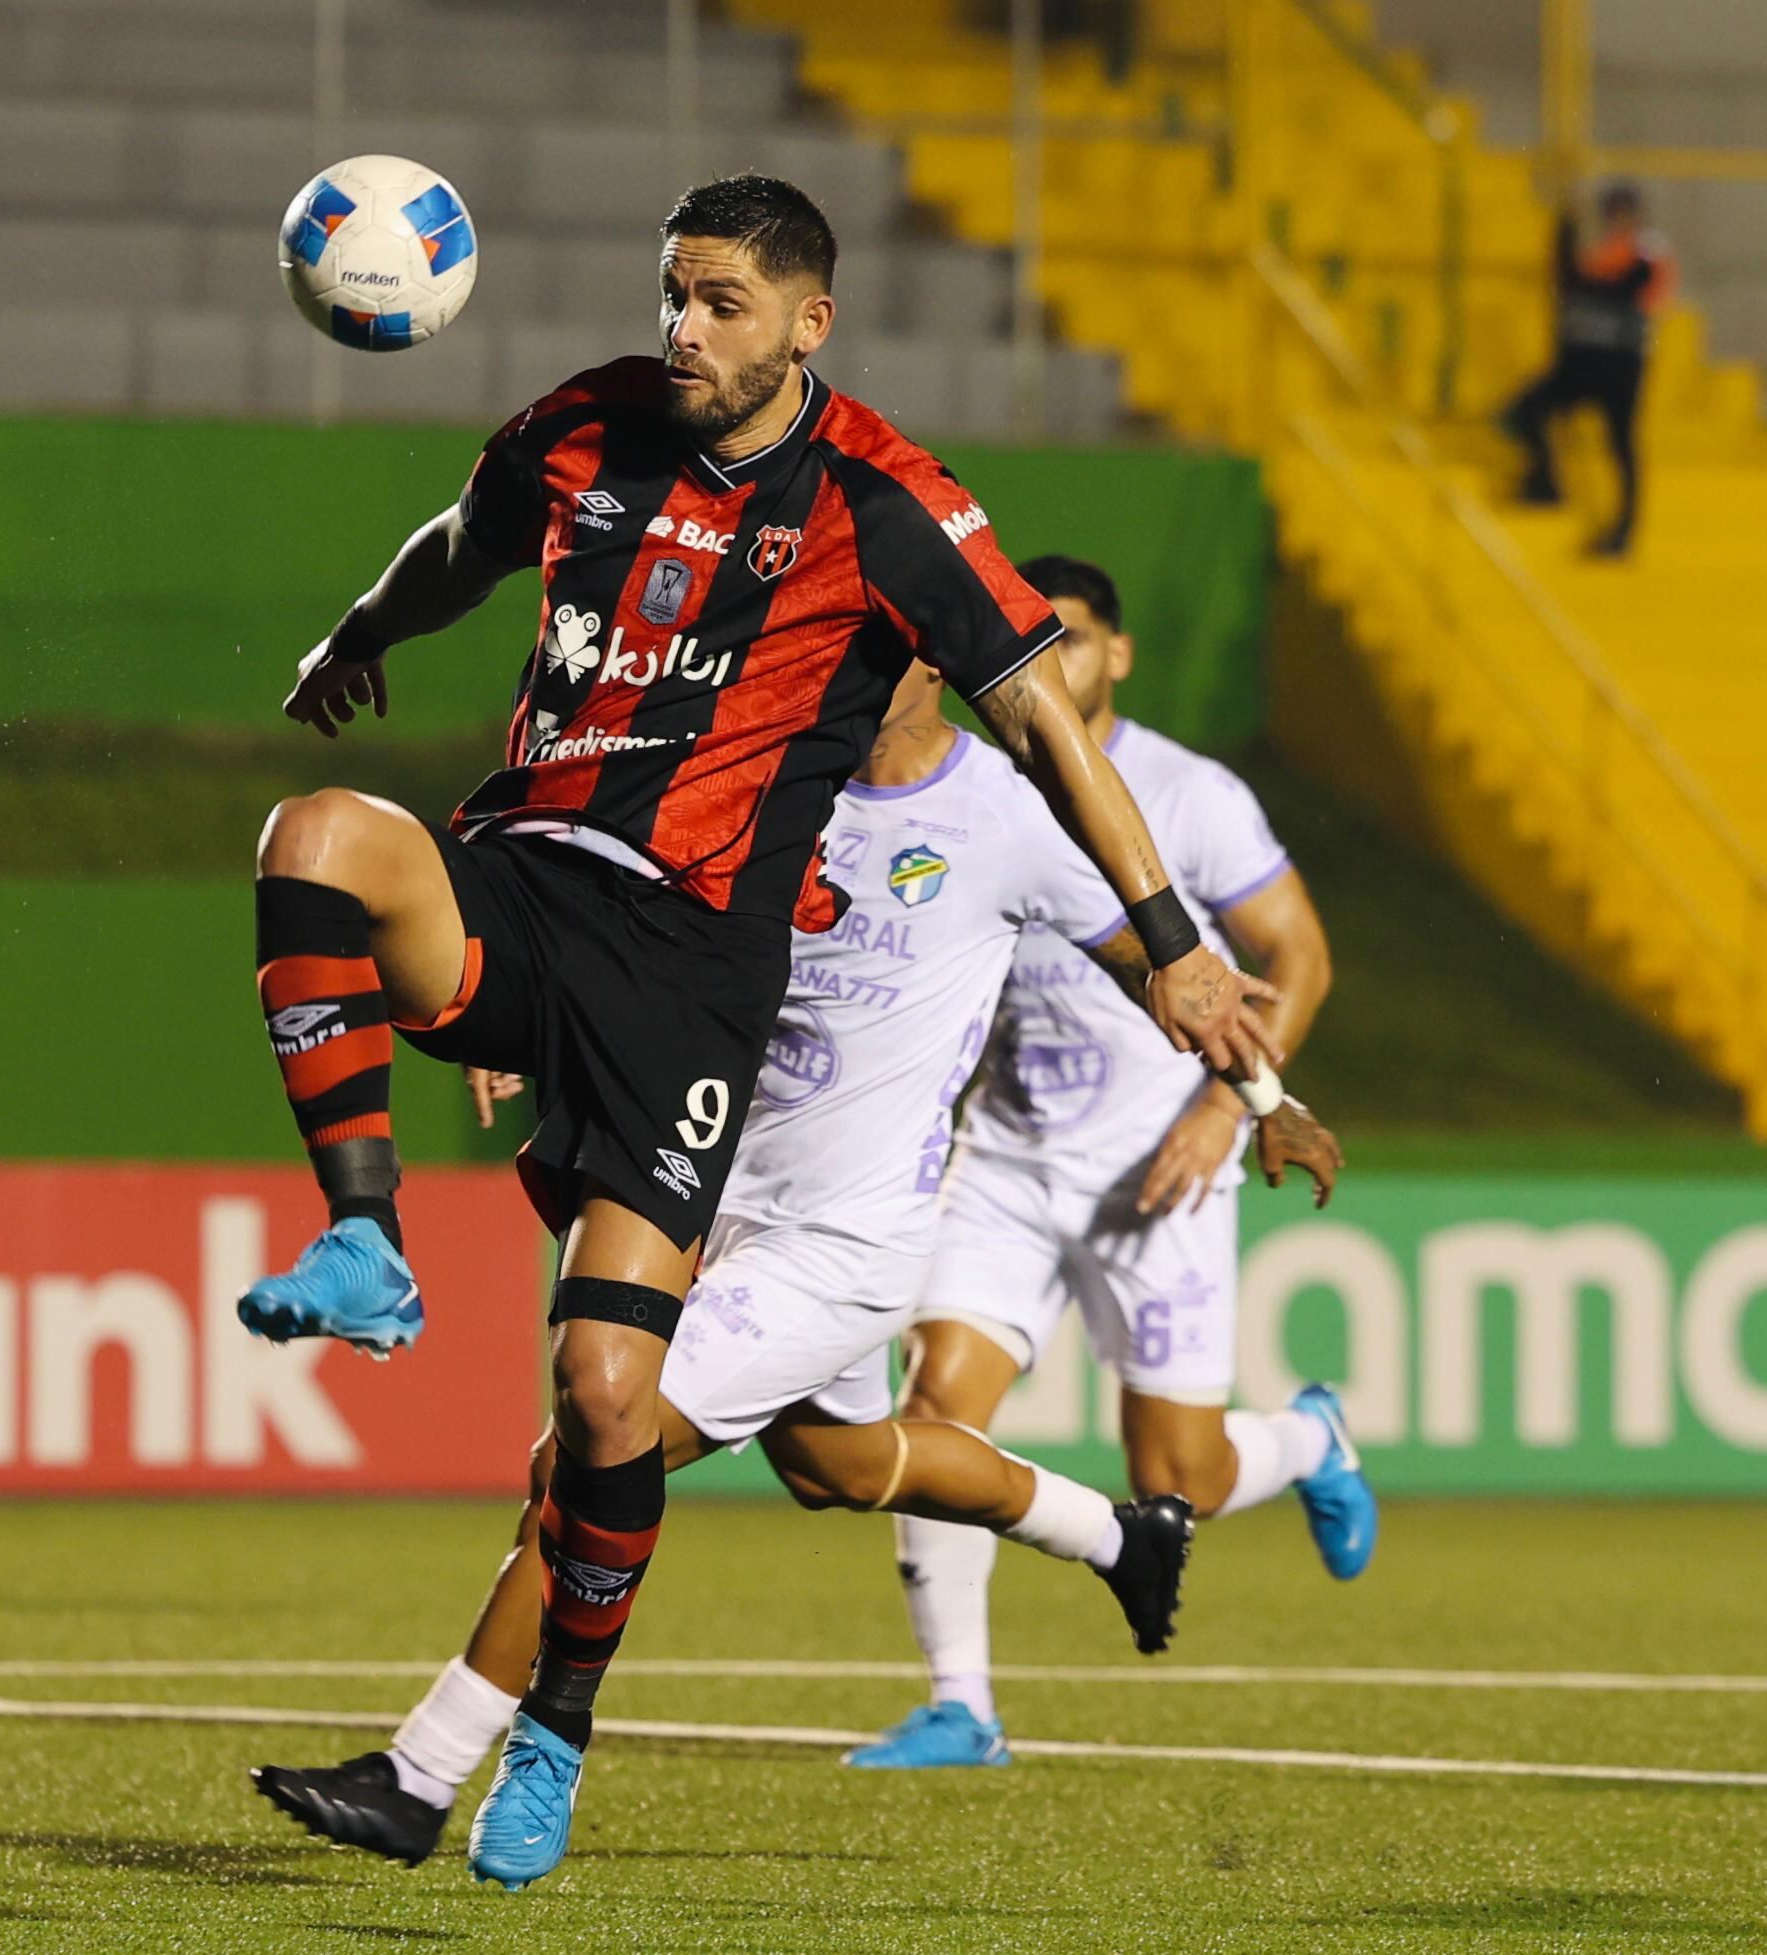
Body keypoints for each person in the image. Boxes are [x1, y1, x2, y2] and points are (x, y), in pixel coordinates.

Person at [230, 174, 1276, 1878]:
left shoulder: (884, 503)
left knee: (609, 1403)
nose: (683, 330)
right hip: (533, 880)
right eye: (672, 294)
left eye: (719, 303)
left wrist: (1171, 944)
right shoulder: (583, 426)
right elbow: (460, 545)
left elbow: (1048, 726)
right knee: (318, 837)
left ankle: (538, 1738)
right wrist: (361, 628)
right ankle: (364, 1239)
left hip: (687, 981)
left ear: (808, 321)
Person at [251, 658, 1341, 1884]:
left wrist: (1264, 1099)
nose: (854, 658)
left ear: (936, 649)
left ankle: (424, 1769)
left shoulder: (1011, 815)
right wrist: (532, 1008)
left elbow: (1164, 969)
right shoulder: (759, 775)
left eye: (886, 636)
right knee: (843, 1466)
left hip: (843, 1244)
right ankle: (1121, 1537)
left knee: (587, 1453)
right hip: (698, 1190)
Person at [845, 558, 1368, 1772]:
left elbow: (1298, 954)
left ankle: (1311, 1440)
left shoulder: (1190, 795)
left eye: (1069, 638)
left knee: (1179, 1474)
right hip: (1008, 1159)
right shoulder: (969, 786)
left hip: (1159, 1166)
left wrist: (1230, 1108)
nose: (1045, 661)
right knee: (935, 1409)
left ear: (1118, 654)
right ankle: (963, 1705)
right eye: (1024, 639)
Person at [1502, 181, 1673, 559]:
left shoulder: (1645, 253)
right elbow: (1570, 282)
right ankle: (1546, 482)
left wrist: (1576, 273)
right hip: (1579, 364)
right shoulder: (1602, 253)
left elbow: (1609, 287)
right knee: (1523, 411)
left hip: (1619, 366)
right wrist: (1565, 229)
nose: (1615, 221)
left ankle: (1624, 528)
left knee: (1619, 442)